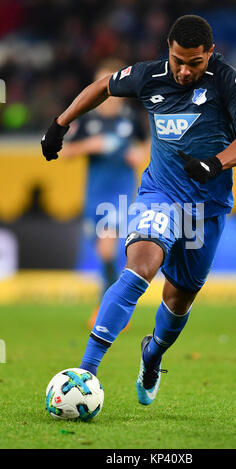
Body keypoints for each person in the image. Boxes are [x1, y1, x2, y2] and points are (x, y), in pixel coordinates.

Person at [41, 15, 236, 406]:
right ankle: (85, 373)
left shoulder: (228, 80)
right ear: (169, 49)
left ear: (209, 53)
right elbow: (102, 87)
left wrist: (215, 163)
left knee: (179, 297)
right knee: (140, 265)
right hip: (159, 194)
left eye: (194, 63)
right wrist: (60, 124)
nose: (183, 70)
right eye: (178, 60)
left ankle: (152, 356)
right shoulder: (149, 76)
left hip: (205, 208)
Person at [61, 59, 148, 328]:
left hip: (121, 194)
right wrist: (92, 145)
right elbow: (65, 152)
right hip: (95, 195)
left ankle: (106, 308)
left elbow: (147, 145)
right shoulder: (87, 120)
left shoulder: (132, 118)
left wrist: (140, 154)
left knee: (108, 247)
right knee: (104, 253)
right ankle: (114, 307)